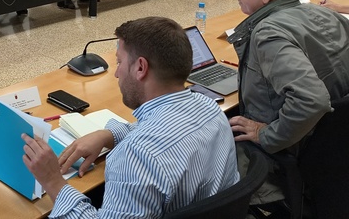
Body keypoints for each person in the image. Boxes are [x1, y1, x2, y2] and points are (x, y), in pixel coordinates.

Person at [22, 16, 239, 218]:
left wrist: (53, 182)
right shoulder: (209, 107)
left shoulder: (135, 157)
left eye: (119, 62)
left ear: (140, 68)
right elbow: (162, 131)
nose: (116, 73)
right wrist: (107, 135)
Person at [229, 0, 349, 205]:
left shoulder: (269, 32)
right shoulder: (325, 13)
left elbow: (312, 100)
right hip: (332, 146)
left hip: (288, 150)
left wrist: (267, 135)